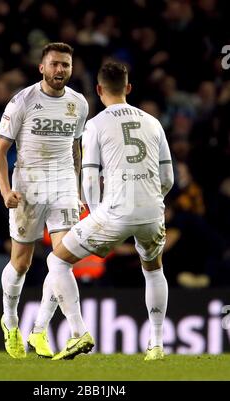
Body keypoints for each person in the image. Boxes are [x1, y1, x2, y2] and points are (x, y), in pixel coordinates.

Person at [46, 62, 174, 361]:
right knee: (154, 270)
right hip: (152, 210)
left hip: (114, 211)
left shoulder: (96, 123)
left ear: (99, 89)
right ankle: (156, 344)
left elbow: (89, 176)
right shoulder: (153, 122)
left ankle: (79, 333)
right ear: (128, 88)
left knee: (57, 261)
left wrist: (96, 213)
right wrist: (151, 199)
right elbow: (167, 178)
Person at [0, 42, 88, 359]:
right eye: (55, 64)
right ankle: (10, 320)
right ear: (42, 68)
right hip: (28, 186)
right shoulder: (23, 101)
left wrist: (78, 187)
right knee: (21, 264)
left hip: (62, 185)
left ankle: (41, 331)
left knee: (63, 260)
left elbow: (76, 150)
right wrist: (6, 191)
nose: (60, 70)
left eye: (66, 65)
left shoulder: (79, 103)